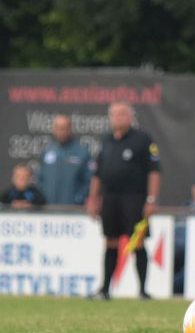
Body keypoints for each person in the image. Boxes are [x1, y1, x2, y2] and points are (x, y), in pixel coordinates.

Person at [86, 102, 161, 300]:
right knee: (110, 241)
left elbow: (154, 171)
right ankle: (104, 290)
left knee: (137, 242)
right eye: (114, 114)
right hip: (110, 199)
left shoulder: (142, 139)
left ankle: (143, 291)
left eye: (122, 114)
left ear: (130, 116)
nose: (118, 118)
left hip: (134, 198)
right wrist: (93, 198)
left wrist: (151, 199)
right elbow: (97, 173)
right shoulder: (106, 140)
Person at [38, 114, 92, 205]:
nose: (60, 132)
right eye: (58, 128)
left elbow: (88, 180)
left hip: (73, 209)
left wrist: (79, 198)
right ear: (53, 129)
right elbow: (41, 179)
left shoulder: (82, 152)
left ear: (70, 129)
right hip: (49, 208)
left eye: (64, 128)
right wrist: (43, 197)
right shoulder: (47, 151)